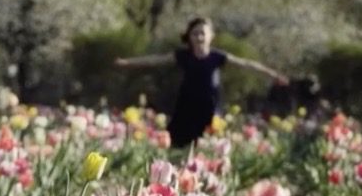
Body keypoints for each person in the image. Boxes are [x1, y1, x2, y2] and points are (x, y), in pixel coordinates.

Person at [115, 17, 288, 149]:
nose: (199, 37)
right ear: (189, 37)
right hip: (187, 102)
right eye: (195, 33)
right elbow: (156, 60)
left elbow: (247, 64)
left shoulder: (217, 57)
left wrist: (273, 75)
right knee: (179, 138)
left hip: (209, 103)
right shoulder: (184, 56)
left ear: (211, 36)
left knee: (207, 138)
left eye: (202, 33)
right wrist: (128, 63)